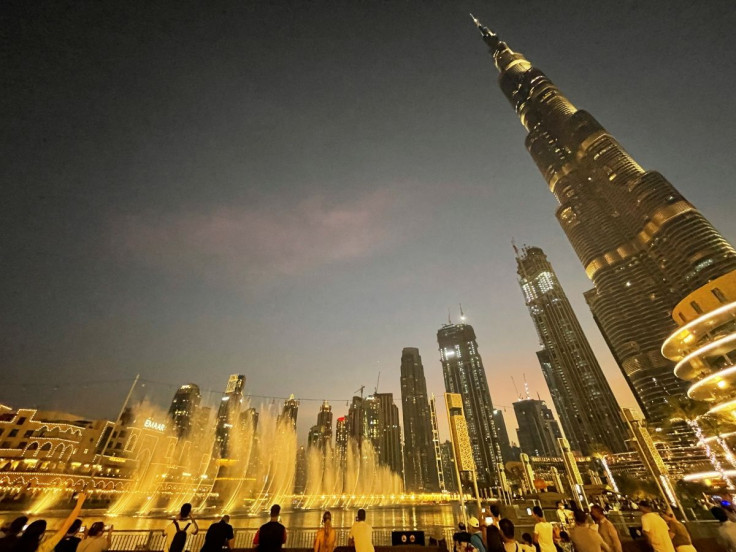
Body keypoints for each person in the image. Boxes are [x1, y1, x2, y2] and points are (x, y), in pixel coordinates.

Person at [13, 493, 87, 552]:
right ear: (40, 535)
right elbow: (66, 527)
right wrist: (79, 504)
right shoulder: (43, 548)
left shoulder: (14, 544)